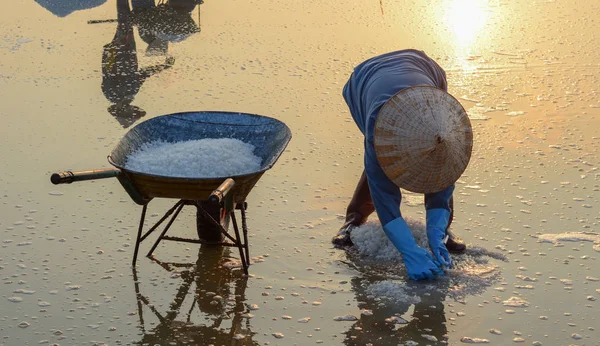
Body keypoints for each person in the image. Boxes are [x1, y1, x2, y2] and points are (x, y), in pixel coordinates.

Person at [332, 49, 473, 281]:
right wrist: (409, 251)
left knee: (438, 155)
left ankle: (442, 233)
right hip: (365, 82)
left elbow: (445, 171)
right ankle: (353, 221)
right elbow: (384, 194)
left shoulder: (447, 126)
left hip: (424, 67)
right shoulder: (378, 123)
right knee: (382, 162)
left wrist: (435, 231)